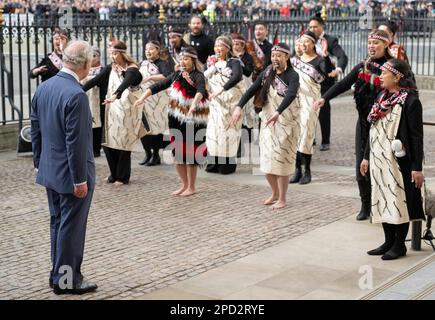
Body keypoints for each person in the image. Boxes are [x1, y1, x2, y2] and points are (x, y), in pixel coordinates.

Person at [30, 40, 97, 295]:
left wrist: (39, 164)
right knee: (71, 228)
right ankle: (67, 280)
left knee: (58, 224)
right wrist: (80, 180)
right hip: (72, 176)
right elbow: (76, 144)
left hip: (50, 170)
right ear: (85, 63)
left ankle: (57, 274)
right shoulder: (76, 95)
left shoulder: (45, 87)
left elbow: (35, 130)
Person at [313, 30, 392, 221]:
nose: (372, 46)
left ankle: (381, 204)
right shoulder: (362, 67)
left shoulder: (392, 68)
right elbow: (343, 85)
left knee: (380, 167)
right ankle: (366, 205)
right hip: (364, 123)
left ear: (386, 45)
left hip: (384, 125)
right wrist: (324, 98)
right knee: (361, 168)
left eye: (376, 43)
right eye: (370, 43)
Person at [360, 59, 425, 260]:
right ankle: (388, 241)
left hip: (397, 162)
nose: (380, 76)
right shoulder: (381, 97)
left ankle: (399, 245)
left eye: (384, 73)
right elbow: (373, 129)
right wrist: (365, 157)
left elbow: (416, 137)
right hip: (378, 158)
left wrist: (416, 168)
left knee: (398, 201)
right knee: (381, 199)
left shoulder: (411, 101)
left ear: (397, 76)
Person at [232, 43, 300, 210]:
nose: (275, 58)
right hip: (268, 123)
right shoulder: (268, 72)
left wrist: (278, 111)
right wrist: (239, 106)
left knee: (281, 161)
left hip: (286, 123)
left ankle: (282, 197)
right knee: (267, 161)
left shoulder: (293, 75)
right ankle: (275, 193)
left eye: (279, 55)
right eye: (273, 55)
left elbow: (291, 94)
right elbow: (251, 90)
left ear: (286, 57)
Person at [134, 47, 209, 196]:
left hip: (192, 119)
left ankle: (191, 187)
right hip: (176, 117)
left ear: (193, 61)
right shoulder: (177, 74)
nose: (183, 61)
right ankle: (184, 184)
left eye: (186, 59)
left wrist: (194, 104)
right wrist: (143, 97)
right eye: (181, 59)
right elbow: (159, 85)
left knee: (190, 155)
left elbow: (201, 90)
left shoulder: (198, 75)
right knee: (178, 153)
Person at [84, 40, 145, 186]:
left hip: (128, 111)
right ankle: (113, 174)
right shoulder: (111, 68)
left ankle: (123, 176)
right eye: (111, 53)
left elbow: (126, 82)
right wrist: (80, 90)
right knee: (108, 143)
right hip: (112, 111)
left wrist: (115, 94)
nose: (112, 56)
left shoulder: (132, 69)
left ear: (123, 54)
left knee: (123, 143)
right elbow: (95, 80)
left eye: (115, 53)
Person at [289, 31, 334, 185]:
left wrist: (327, 55)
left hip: (311, 102)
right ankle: (297, 170)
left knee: (306, 135)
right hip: (295, 102)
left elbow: (328, 75)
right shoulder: (295, 61)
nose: (303, 44)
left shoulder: (319, 60)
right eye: (301, 41)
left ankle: (307, 170)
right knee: (294, 135)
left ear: (313, 44)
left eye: (307, 41)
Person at [204, 36, 244, 175]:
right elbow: (203, 79)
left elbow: (237, 77)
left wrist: (222, 89)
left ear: (227, 48)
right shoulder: (210, 63)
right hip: (215, 104)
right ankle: (213, 162)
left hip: (231, 103)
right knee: (214, 133)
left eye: (221, 46)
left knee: (228, 133)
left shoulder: (234, 62)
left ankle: (226, 164)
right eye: (216, 46)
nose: (217, 49)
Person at [309, 15, 349, 151]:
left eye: (315, 26)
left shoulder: (330, 41)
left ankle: (325, 140)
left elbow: (342, 56)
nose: (312, 29)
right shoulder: (306, 40)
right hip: (309, 79)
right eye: (310, 27)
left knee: (323, 109)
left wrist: (338, 69)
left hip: (325, 80)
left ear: (322, 26)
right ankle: (310, 137)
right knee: (308, 109)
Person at [138, 40, 172, 166]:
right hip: (143, 99)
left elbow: (168, 76)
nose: (148, 51)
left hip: (157, 100)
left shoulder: (162, 63)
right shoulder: (142, 63)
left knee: (155, 128)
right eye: (146, 49)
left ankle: (156, 154)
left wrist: (151, 78)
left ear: (158, 51)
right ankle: (148, 153)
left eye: (151, 49)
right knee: (143, 127)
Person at [232, 34, 256, 158]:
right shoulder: (230, 57)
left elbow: (248, 72)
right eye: (233, 44)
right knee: (238, 119)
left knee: (248, 117)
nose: (235, 46)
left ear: (242, 45)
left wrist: (238, 61)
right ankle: (238, 147)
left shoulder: (248, 57)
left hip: (246, 88)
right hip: (235, 90)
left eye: (237, 44)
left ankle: (248, 136)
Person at [81, 47, 106, 157]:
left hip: (99, 99)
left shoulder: (103, 69)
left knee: (97, 124)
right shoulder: (83, 69)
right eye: (90, 56)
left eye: (94, 56)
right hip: (85, 98)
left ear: (99, 57)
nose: (92, 58)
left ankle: (96, 148)